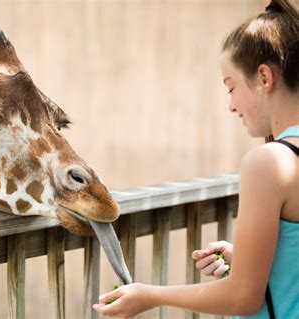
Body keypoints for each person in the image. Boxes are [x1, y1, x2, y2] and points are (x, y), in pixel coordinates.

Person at [93, 0, 299, 317]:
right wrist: (247, 259)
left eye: (230, 87)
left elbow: (243, 297)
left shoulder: (270, 163)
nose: (231, 105)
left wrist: (150, 295)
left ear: (263, 78)